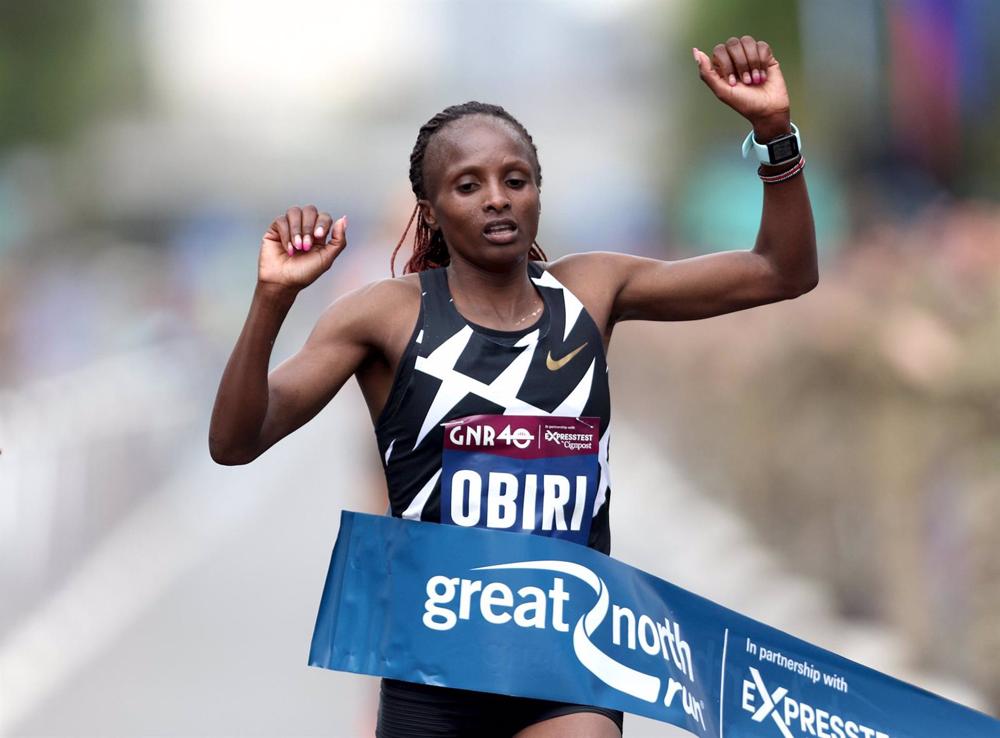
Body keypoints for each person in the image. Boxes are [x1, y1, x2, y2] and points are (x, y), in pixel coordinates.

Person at [209, 35, 817, 738]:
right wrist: (273, 298)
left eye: (516, 180)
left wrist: (774, 134)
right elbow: (236, 441)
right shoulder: (383, 316)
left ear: (536, 192)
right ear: (431, 209)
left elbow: (783, 271)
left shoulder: (592, 290)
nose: (497, 198)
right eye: (468, 185)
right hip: (435, 670)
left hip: (568, 655)